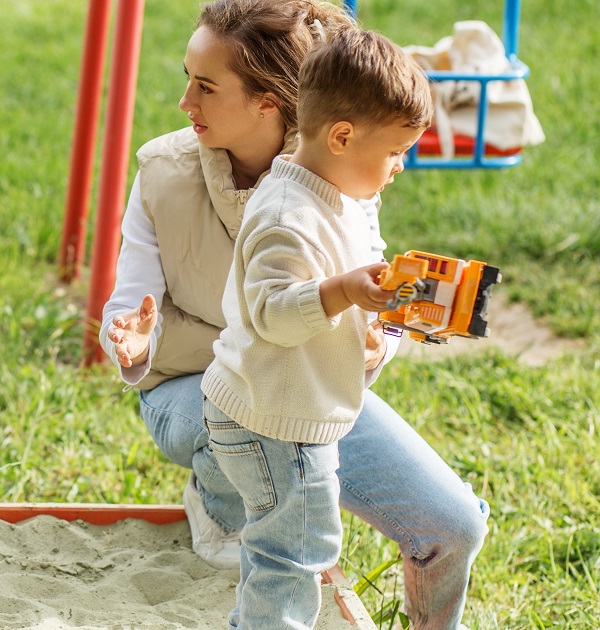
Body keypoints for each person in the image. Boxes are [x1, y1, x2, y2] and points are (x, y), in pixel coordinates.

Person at [100, 1, 488, 628]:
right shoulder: (167, 174)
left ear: (269, 103)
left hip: (306, 394)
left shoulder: (343, 165)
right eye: (188, 78)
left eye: (205, 85)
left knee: (454, 526)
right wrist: (134, 339)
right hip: (210, 392)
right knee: (289, 551)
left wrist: (383, 333)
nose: (184, 102)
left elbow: (363, 291)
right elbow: (251, 311)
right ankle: (222, 500)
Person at [199, 28, 435, 628]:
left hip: (272, 409)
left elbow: (325, 306)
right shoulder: (286, 215)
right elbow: (276, 314)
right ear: (341, 136)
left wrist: (369, 330)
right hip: (274, 423)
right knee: (294, 556)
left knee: (277, 548)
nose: (399, 167)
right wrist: (345, 292)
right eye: (395, 151)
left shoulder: (333, 196)